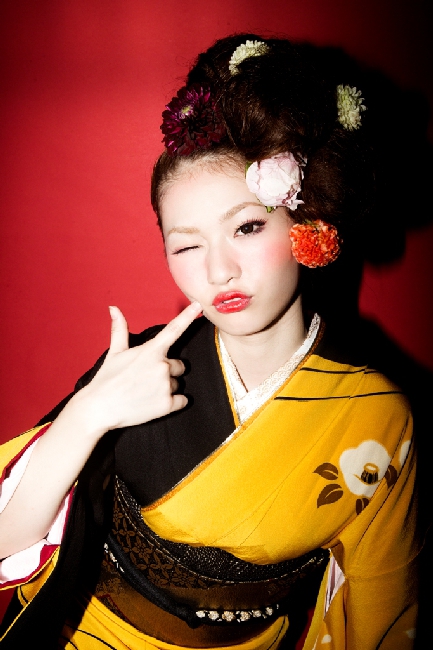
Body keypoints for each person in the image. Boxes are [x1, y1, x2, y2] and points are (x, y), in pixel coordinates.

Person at [0, 33, 421, 649]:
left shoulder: (377, 416)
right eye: (187, 245)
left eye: (246, 228)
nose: (219, 271)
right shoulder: (137, 370)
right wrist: (89, 414)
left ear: (306, 224)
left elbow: (382, 612)